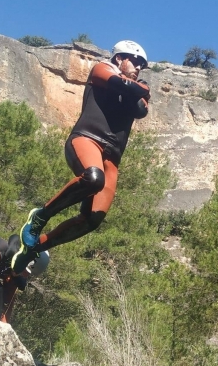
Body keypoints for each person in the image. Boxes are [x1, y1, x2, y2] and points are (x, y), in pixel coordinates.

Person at [12, 40, 151, 273]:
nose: (138, 67)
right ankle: (40, 216)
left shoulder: (139, 85)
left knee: (92, 220)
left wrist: (136, 89)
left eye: (141, 65)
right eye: (134, 61)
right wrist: (136, 88)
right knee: (93, 179)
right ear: (119, 58)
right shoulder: (101, 68)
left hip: (112, 160)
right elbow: (123, 85)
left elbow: (141, 109)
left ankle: (34, 249)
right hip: (87, 139)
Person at [0, 232, 49, 322]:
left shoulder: (16, 273)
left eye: (28, 274)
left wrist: (2, 327)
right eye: (25, 271)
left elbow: (7, 304)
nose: (24, 275)